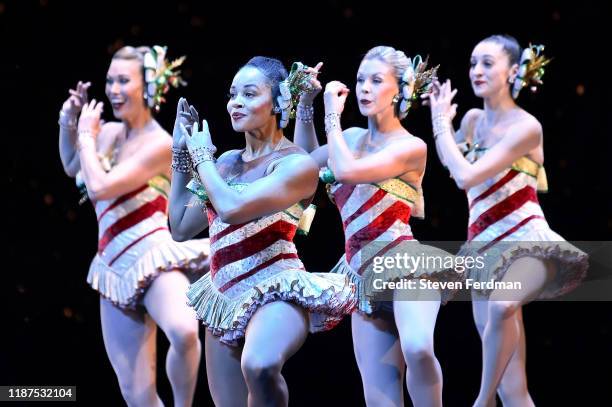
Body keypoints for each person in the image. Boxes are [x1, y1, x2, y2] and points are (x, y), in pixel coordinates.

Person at [168, 56, 356, 406]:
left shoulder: (296, 165)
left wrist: (202, 159)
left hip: (276, 288)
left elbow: (233, 208)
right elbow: (180, 225)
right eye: (233, 94)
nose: (236, 102)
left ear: (277, 103)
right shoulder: (224, 163)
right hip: (223, 296)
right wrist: (181, 155)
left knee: (260, 364)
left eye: (250, 94)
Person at [295, 46, 461, 407]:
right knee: (379, 398)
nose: (364, 88)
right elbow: (303, 168)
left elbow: (345, 171)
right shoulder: (349, 139)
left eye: (376, 80)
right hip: (359, 274)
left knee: (417, 347)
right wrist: (307, 105)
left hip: (405, 265)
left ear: (399, 89)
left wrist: (330, 116)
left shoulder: (411, 147)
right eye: (359, 80)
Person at [426, 35, 588, 406]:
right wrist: (447, 127)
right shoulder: (472, 121)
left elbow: (468, 176)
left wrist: (438, 126)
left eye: (487, 63)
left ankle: (480, 402)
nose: (476, 71)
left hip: (529, 243)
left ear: (513, 71)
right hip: (483, 251)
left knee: (503, 305)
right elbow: (457, 172)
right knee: (513, 391)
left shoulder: (526, 126)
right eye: (472, 63)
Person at [58, 45, 210, 407]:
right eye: (110, 80)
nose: (112, 89)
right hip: (111, 266)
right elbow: (70, 165)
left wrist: (84, 135)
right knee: (137, 397)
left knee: (185, 330)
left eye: (123, 80)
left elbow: (100, 186)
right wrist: (69, 120)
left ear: (148, 86)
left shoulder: (160, 143)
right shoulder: (106, 134)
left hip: (153, 257)